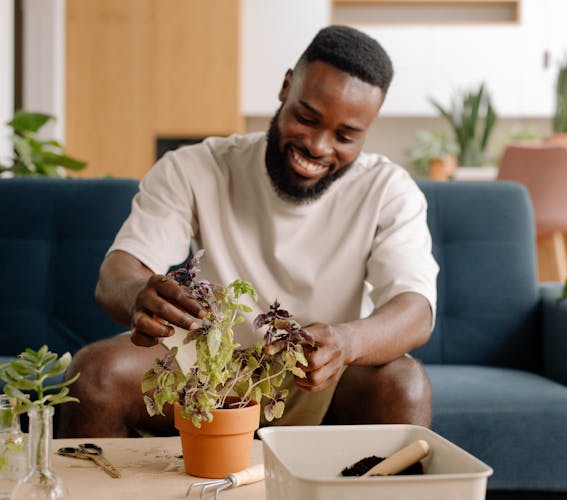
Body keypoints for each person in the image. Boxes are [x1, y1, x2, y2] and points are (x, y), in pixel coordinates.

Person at [57, 25, 439, 438]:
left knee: (405, 384)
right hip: (205, 368)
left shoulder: (388, 189)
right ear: (286, 87)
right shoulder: (197, 167)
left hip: (325, 375)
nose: (318, 146)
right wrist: (137, 294)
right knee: (95, 376)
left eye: (345, 136)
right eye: (306, 118)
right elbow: (119, 270)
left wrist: (347, 342)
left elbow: (415, 310)